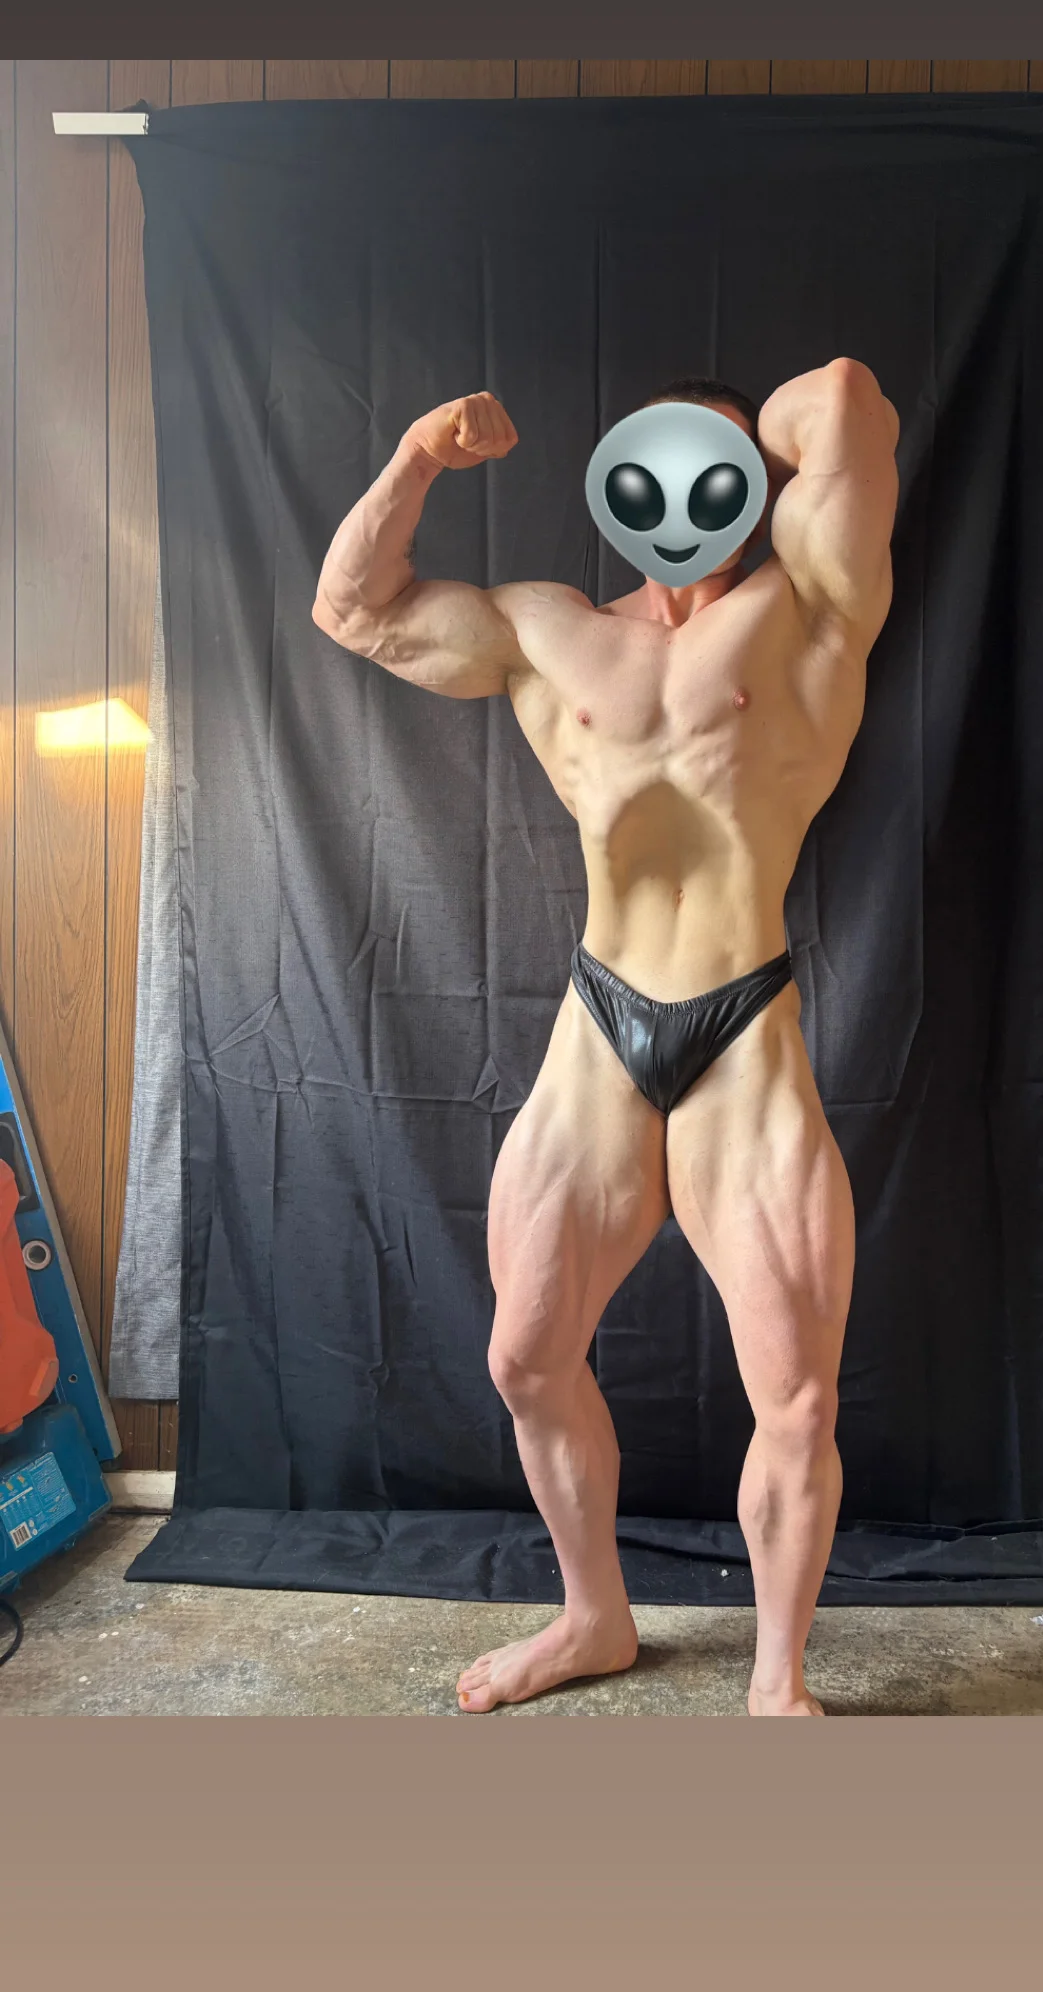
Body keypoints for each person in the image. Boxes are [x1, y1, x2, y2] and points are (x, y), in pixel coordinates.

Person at [313, 361, 900, 1715]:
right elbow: (354, 609)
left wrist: (755, 443)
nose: (687, 491)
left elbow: (845, 399)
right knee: (523, 1357)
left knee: (798, 1400)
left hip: (742, 1027)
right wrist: (418, 455)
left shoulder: (814, 603)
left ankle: (776, 1682)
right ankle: (594, 1619)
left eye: (716, 467)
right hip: (601, 1023)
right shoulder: (548, 628)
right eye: (663, 463)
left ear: (754, 483)